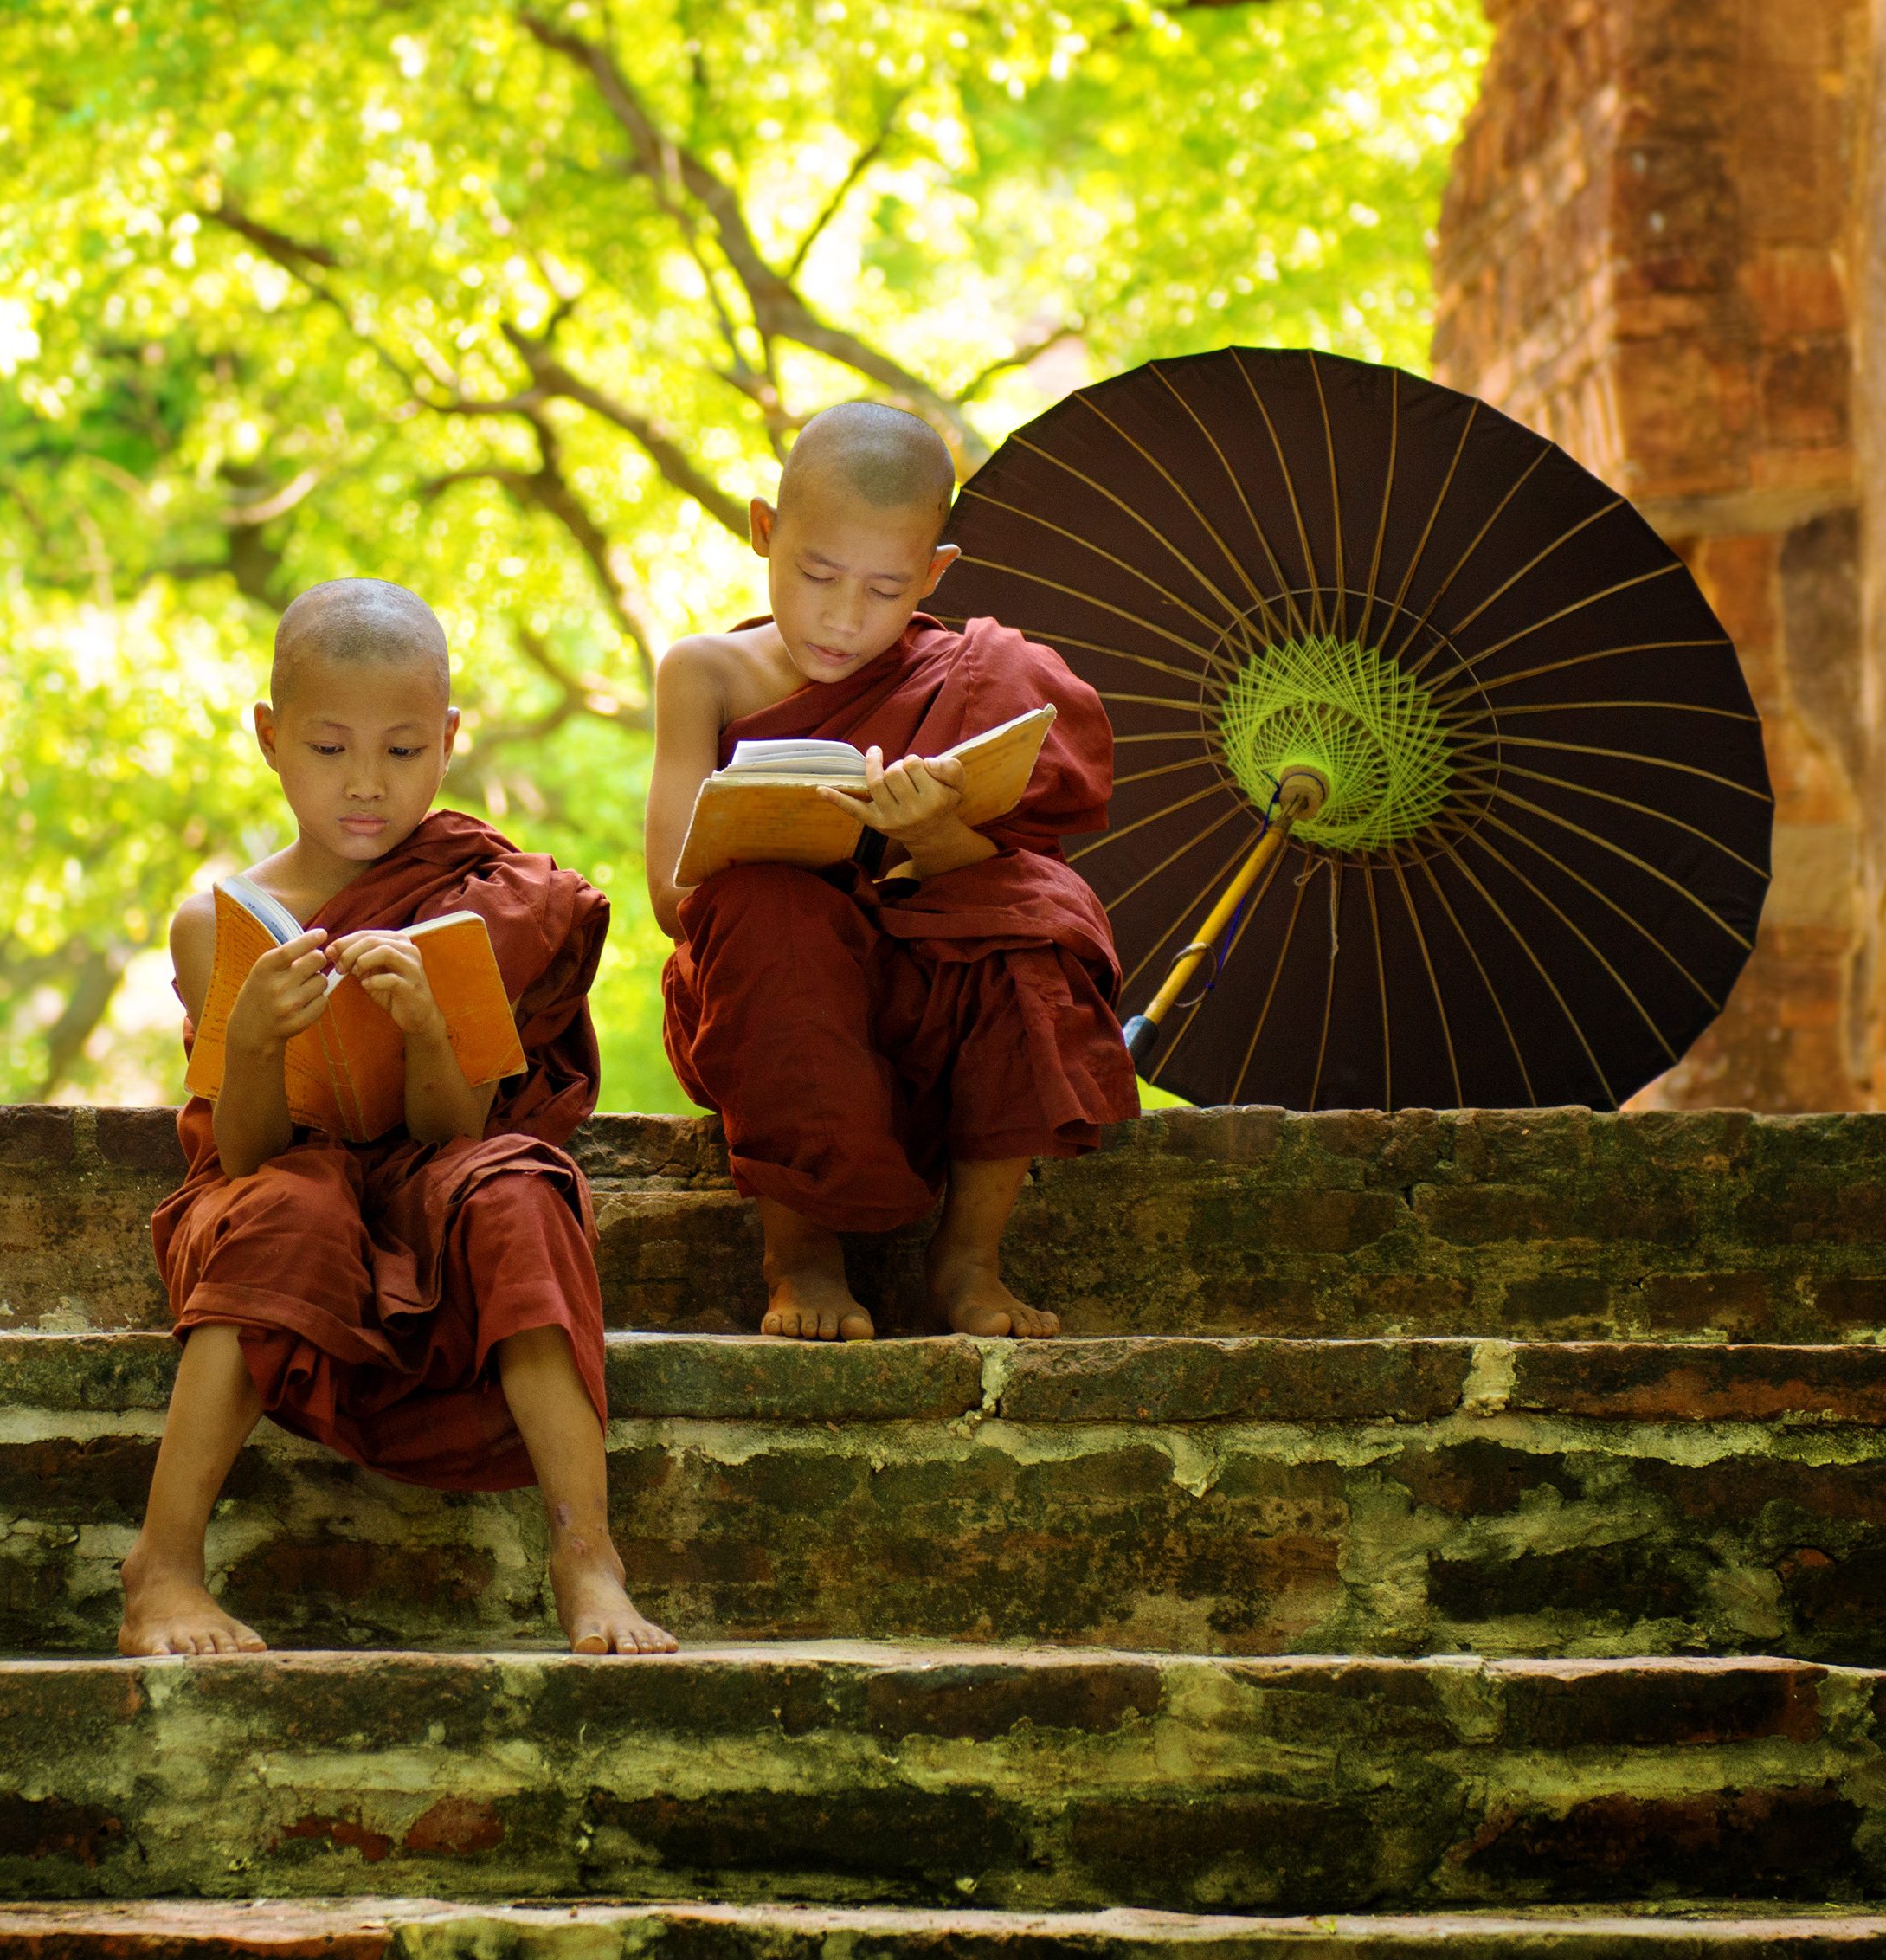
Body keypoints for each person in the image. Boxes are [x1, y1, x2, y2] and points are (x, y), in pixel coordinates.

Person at [124, 579, 673, 1660]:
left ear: (450, 742)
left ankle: (587, 1554)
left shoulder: (473, 903)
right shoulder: (217, 922)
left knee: (517, 1187)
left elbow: (451, 1129)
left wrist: (429, 1027)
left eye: (403, 751)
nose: (366, 786)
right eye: (329, 751)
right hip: (283, 1183)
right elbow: (244, 1156)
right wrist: (250, 1043)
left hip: (432, 1175)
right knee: (294, 1203)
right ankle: (163, 1566)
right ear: (270, 740)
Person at [644, 400, 1139, 1344]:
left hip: (923, 990)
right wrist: (784, 834)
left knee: (1035, 916)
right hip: (770, 986)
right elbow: (674, 899)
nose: (841, 616)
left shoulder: (973, 674)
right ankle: (801, 1257)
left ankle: (965, 1261)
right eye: (816, 572)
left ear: (933, 573)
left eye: (883, 589)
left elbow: (1016, 871)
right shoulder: (701, 673)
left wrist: (937, 832)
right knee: (763, 907)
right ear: (763, 531)